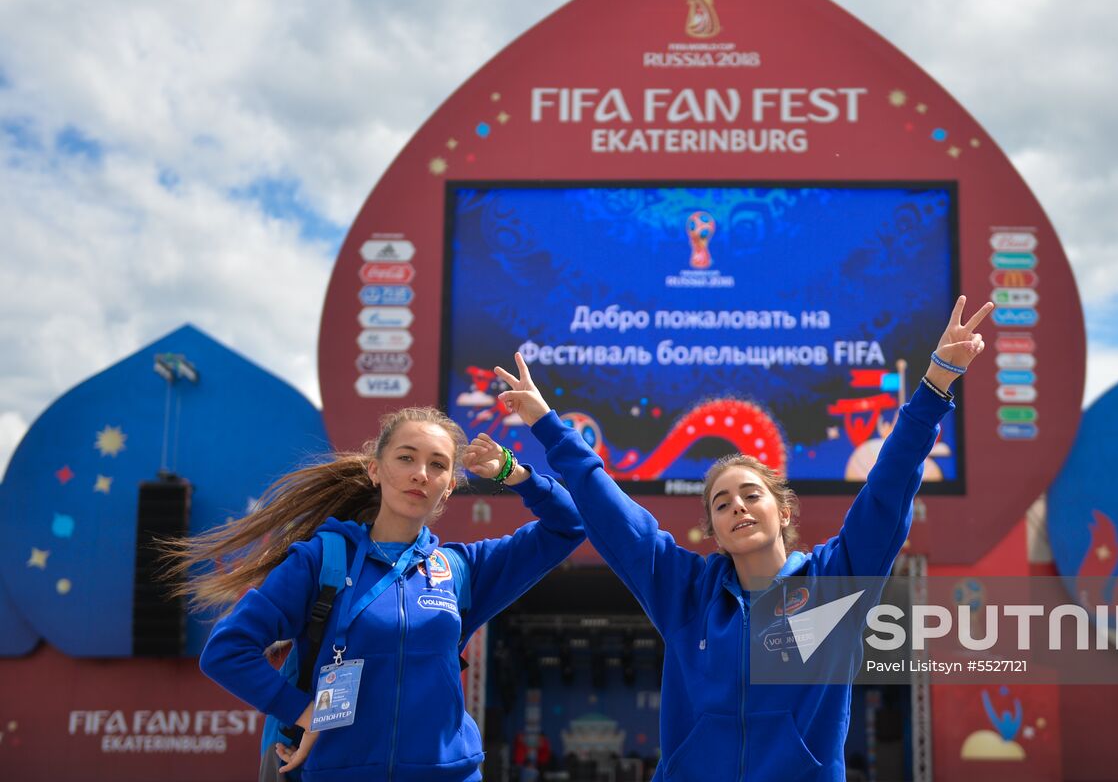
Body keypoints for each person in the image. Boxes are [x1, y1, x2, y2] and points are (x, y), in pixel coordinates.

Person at [475, 297, 991, 782]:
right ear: (715, 531)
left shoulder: (836, 583)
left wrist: (936, 383)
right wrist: (547, 425)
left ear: (783, 510)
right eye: (721, 504)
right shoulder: (686, 593)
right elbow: (612, 513)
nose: (737, 507)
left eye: (750, 495)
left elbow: (888, 487)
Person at [168, 406, 584, 781]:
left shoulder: (461, 569)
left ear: (449, 488)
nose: (421, 473)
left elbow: (568, 525)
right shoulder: (322, 560)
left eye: (438, 465)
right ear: (375, 471)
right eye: (406, 458)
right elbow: (226, 651)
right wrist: (302, 713)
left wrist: (512, 471)